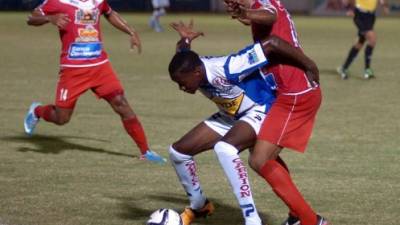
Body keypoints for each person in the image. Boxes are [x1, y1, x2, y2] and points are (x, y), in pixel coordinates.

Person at [168, 20, 319, 225]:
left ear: (196, 73)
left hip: (260, 109)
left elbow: (272, 43)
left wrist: (309, 64)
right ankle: (199, 205)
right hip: (231, 115)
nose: (181, 88)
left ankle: (251, 218)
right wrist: (185, 39)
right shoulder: (192, 68)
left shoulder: (228, 67)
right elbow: (183, 52)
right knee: (178, 152)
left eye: (182, 83)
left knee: (225, 149)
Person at [24, 0, 166, 164]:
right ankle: (37, 111)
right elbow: (31, 18)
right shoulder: (57, 1)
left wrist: (131, 31)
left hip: (100, 66)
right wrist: (50, 18)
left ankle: (145, 151)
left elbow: (109, 13)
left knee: (121, 103)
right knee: (61, 118)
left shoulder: (98, 1)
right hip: (73, 69)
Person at [225, 0, 328, 225]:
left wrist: (247, 12)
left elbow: (269, 16)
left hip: (296, 95)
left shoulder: (265, 3)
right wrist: (245, 14)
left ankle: (310, 221)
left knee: (259, 158)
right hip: (287, 93)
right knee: (261, 152)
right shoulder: (260, 6)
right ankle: (296, 215)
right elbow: (262, 19)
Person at [337, 0, 389, 79]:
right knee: (372, 39)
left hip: (371, 16)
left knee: (359, 43)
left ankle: (344, 68)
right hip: (360, 15)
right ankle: (367, 70)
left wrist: (384, 6)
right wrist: (348, 9)